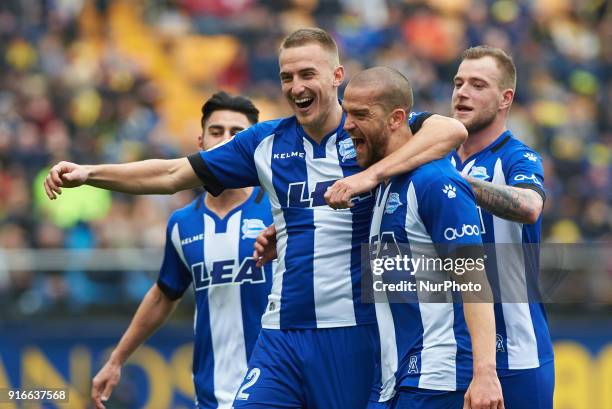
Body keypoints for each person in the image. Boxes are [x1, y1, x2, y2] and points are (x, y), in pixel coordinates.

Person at [44, 28, 467, 409]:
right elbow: (174, 173)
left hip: (354, 332)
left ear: (337, 77)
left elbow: (450, 131)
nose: (296, 87)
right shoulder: (264, 143)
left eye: (307, 74)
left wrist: (368, 177)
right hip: (279, 334)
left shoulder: (368, 133)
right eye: (287, 77)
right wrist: (90, 174)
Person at [90, 91, 275, 409]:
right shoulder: (183, 223)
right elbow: (164, 294)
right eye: (216, 132)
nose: (226, 141)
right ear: (200, 143)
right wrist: (117, 359)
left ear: (252, 146)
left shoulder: (278, 207)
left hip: (274, 387)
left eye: (237, 134)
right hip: (211, 393)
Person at [343, 66, 504, 409]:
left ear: (396, 119)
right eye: (346, 114)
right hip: (393, 379)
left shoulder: (434, 182)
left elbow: (474, 279)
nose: (347, 125)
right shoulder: (383, 181)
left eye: (360, 115)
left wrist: (486, 373)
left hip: (436, 378)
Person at [445, 45, 554, 409]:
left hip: (516, 356)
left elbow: (529, 205)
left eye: (478, 85)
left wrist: (453, 182)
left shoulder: (515, 157)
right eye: (459, 82)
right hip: (446, 352)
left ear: (505, 98)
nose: (462, 92)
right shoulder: (437, 157)